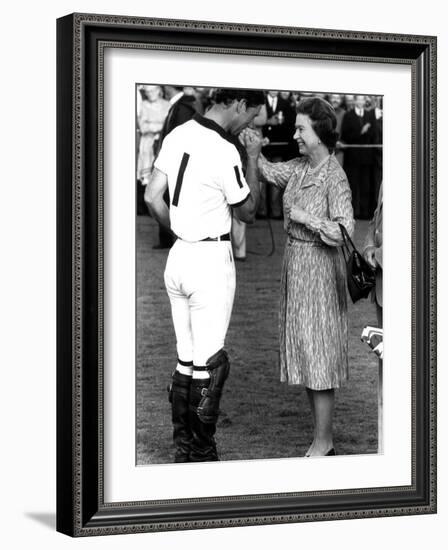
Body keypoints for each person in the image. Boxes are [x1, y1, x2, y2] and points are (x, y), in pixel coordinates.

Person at [145, 88, 265, 462]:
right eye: (252, 115)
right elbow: (247, 212)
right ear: (239, 104)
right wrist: (253, 156)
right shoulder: (225, 148)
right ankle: (200, 450)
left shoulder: (177, 132)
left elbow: (152, 196)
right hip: (209, 256)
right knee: (210, 363)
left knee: (186, 358)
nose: (250, 124)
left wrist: (178, 229)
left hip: (179, 256)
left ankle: (185, 448)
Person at [253, 96, 355, 457]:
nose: (294, 133)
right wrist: (253, 151)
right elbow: (267, 171)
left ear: (320, 132)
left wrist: (305, 218)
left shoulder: (334, 176)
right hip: (296, 270)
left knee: (320, 356)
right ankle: (320, 437)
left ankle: (324, 440)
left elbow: (345, 232)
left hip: (321, 274)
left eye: (301, 128)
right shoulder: (298, 167)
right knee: (308, 354)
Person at [151, 85, 198, 249]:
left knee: (168, 199)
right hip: (173, 163)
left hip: (177, 165)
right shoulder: (180, 105)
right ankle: (167, 238)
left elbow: (181, 140)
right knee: (163, 198)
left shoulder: (184, 107)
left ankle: (177, 236)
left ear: (169, 87)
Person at [362, 183, 383, 452]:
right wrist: (368, 247)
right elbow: (375, 221)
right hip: (382, 288)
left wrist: (379, 255)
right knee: (386, 373)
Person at [340, 94, 378, 219]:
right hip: (353, 157)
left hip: (367, 157)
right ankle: (353, 212)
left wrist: (367, 131)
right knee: (353, 185)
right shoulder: (348, 115)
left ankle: (365, 212)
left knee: (366, 186)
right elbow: (345, 135)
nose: (361, 102)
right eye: (359, 99)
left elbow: (374, 133)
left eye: (363, 99)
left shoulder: (369, 115)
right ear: (355, 101)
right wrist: (361, 131)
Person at [136, 85, 169, 214]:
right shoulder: (144, 105)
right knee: (146, 174)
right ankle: (145, 208)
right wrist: (158, 125)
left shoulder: (167, 105)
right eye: (147, 92)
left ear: (159, 91)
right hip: (147, 144)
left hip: (161, 143)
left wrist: (152, 125)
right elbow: (143, 126)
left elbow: (166, 125)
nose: (149, 94)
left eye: (152, 91)